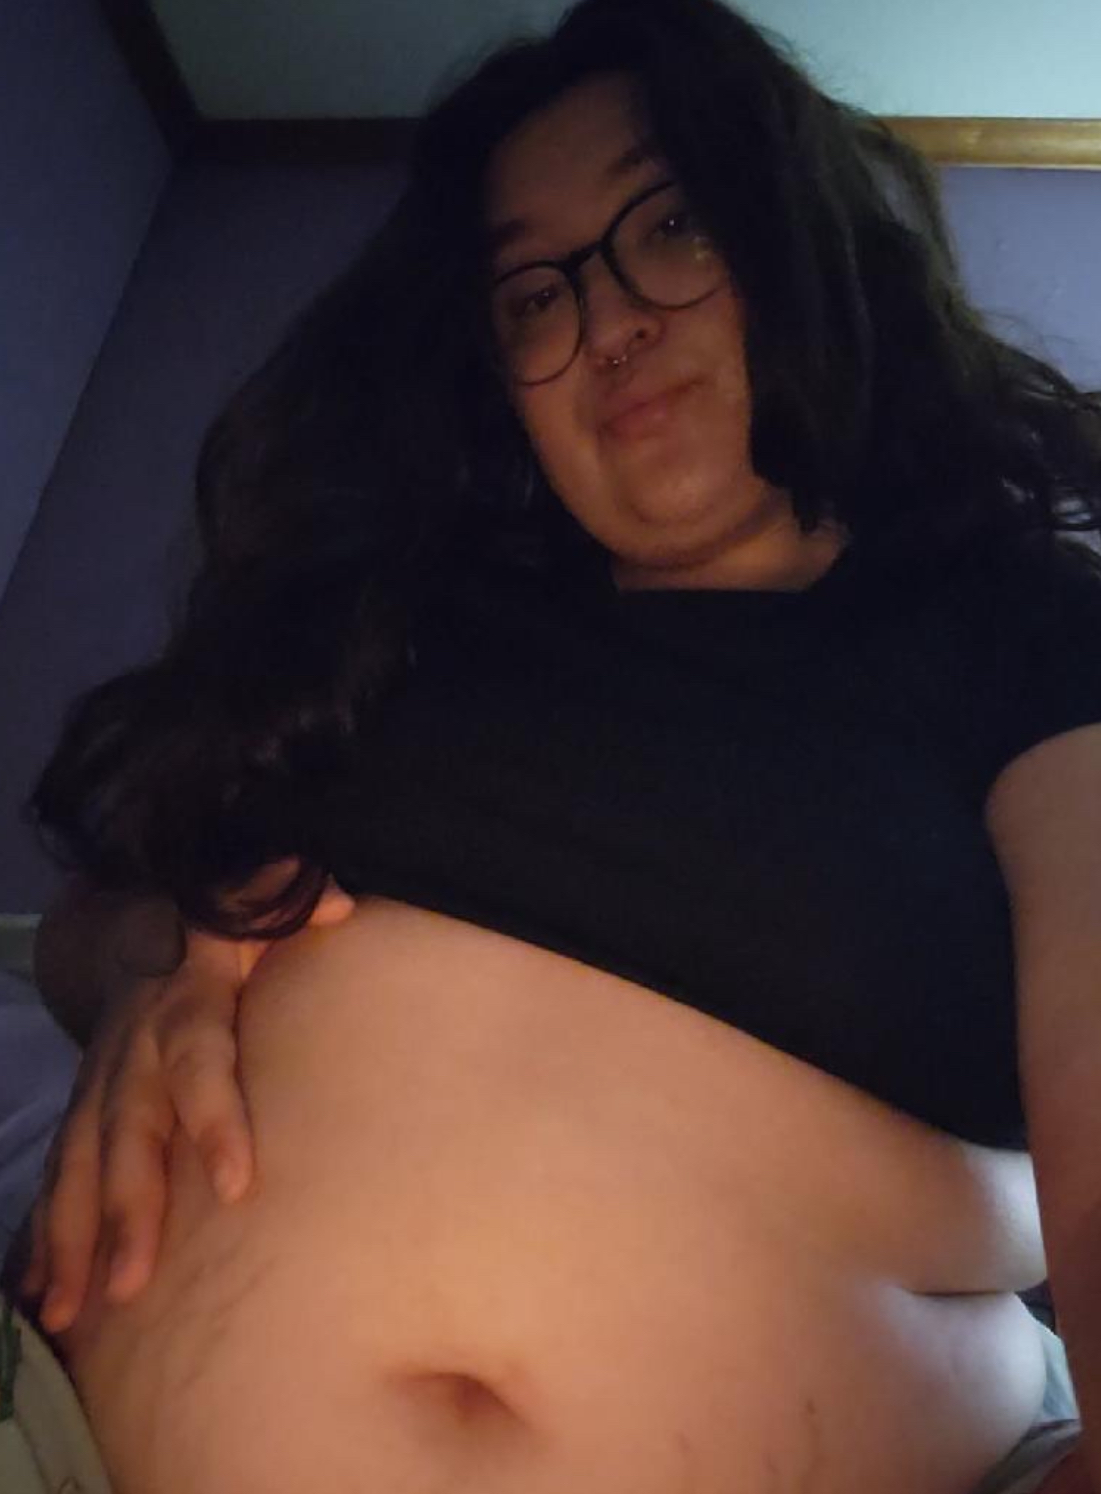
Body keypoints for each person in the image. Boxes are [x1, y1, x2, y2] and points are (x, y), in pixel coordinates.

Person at [10, 0, 1101, 1488]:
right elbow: (70, 940)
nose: (609, 321)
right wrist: (167, 973)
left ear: (793, 240)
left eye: (671, 224)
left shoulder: (1018, 623)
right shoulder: (407, 625)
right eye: (535, 293)